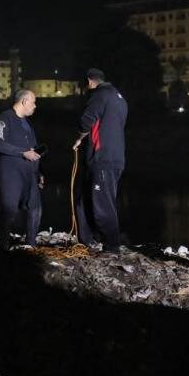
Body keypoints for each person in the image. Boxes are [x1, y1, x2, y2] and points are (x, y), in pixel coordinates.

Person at [72, 68, 128, 255]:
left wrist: (79, 136)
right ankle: (88, 239)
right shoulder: (119, 97)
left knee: (102, 203)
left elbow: (86, 121)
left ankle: (111, 246)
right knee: (87, 198)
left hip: (102, 158)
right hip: (115, 157)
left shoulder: (100, 95)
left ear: (89, 81)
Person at [0, 89, 44, 249]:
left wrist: (39, 173)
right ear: (24, 101)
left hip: (30, 173)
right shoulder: (5, 118)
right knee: (9, 210)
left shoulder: (27, 124)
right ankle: (3, 247)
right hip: (11, 173)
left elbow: (33, 150)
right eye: (33, 102)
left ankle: (31, 244)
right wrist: (22, 153)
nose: (35, 106)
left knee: (35, 208)